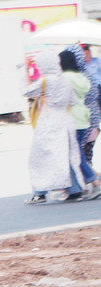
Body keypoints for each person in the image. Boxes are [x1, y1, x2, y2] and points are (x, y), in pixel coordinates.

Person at [24, 52, 87, 204]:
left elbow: (26, 92)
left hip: (48, 122)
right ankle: (74, 190)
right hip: (65, 120)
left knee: (42, 158)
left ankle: (39, 193)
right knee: (66, 156)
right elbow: (72, 100)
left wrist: (24, 73)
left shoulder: (45, 81)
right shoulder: (65, 80)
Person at [59, 49, 100, 197]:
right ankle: (78, 186)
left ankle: (94, 182)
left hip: (72, 120)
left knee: (76, 155)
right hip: (85, 119)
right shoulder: (83, 76)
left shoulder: (65, 78)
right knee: (80, 154)